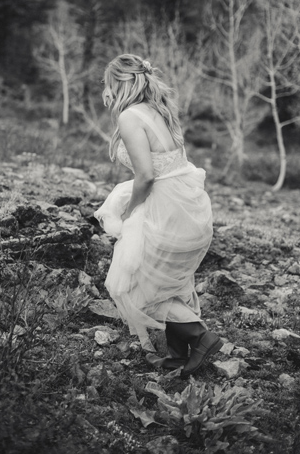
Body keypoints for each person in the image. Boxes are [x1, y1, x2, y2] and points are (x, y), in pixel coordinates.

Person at [94, 54, 221, 374]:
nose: (104, 92)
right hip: (185, 202)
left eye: (106, 85)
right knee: (166, 280)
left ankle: (201, 336)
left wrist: (130, 211)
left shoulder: (130, 117)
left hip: (166, 204)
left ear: (118, 84)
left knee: (135, 283)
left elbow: (147, 176)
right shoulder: (157, 109)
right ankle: (178, 354)